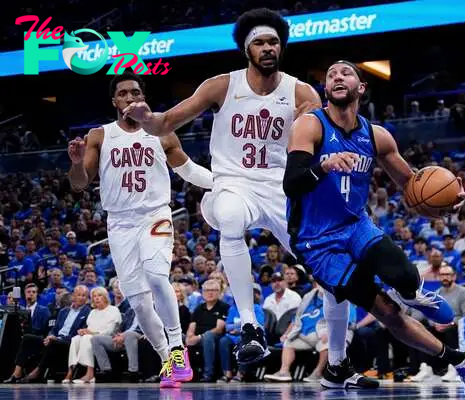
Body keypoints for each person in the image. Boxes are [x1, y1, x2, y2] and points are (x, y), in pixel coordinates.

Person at [122, 7, 365, 387]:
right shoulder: (222, 85)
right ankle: (250, 326)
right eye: (260, 42)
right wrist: (146, 118)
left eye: (274, 42)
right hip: (233, 182)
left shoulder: (300, 91)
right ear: (247, 49)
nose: (268, 47)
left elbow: (317, 133)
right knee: (232, 218)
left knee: (332, 275)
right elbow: (167, 122)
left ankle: (337, 364)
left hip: (282, 187)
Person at [283, 60, 465, 390]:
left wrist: (446, 205)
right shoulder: (310, 126)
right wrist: (323, 165)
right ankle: (460, 361)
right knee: (388, 313)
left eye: (345, 73)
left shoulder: (376, 135)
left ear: (361, 88)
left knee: (408, 277)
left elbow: (413, 191)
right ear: (326, 89)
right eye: (331, 76)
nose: (337, 77)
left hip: (356, 224)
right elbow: (291, 184)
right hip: (317, 240)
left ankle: (411, 292)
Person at [67, 73, 213, 388]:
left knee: (157, 275)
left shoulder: (161, 131)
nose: (130, 97)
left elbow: (188, 170)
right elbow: (79, 184)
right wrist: (78, 163)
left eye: (136, 92)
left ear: (144, 98)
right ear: (114, 101)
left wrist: (224, 183)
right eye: (123, 94)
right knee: (139, 301)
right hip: (119, 223)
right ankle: (167, 360)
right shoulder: (100, 136)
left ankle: (177, 348)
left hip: (155, 214)